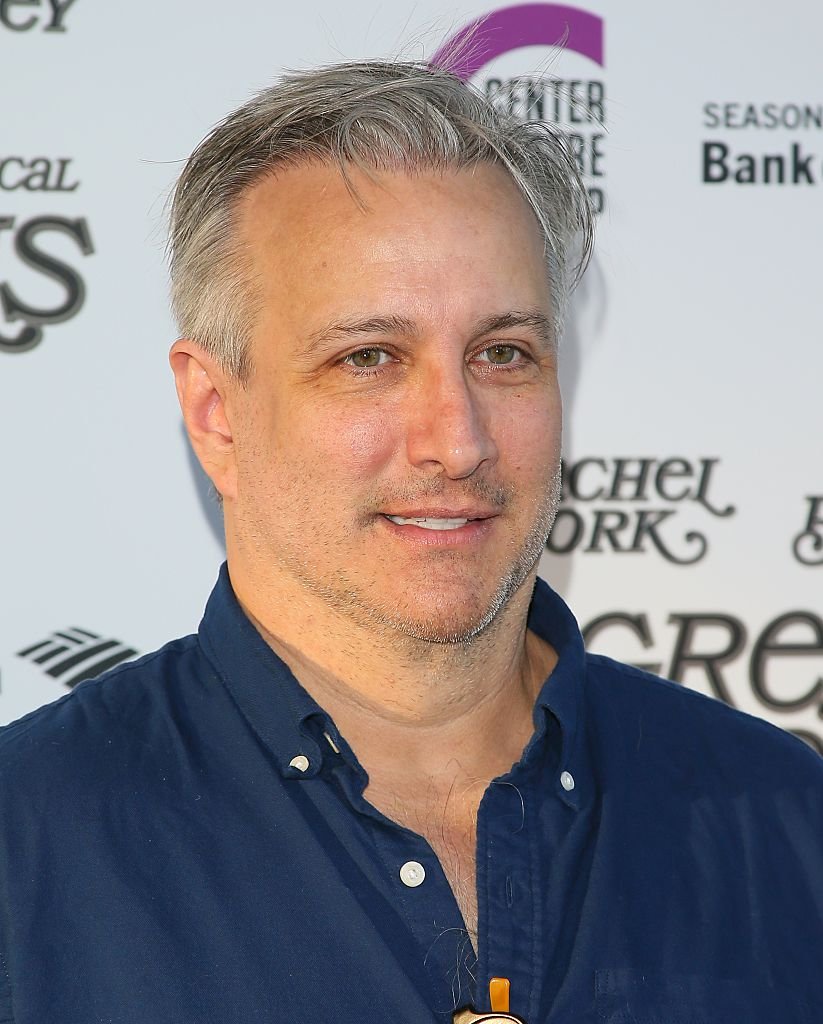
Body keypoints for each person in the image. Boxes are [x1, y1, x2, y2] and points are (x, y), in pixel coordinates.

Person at [0, 59, 820, 1024]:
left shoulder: (785, 820)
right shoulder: (25, 848)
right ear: (217, 414)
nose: (458, 440)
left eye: (502, 353)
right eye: (369, 359)